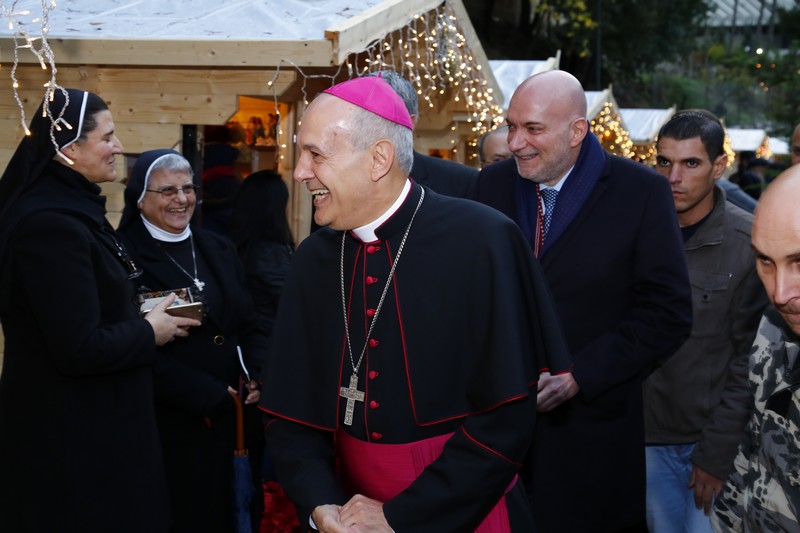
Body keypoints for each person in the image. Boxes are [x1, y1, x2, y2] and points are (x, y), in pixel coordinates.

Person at [259, 75, 571, 532]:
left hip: (463, 506)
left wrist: (400, 517)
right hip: (349, 513)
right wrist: (321, 502)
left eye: (316, 154)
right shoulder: (314, 259)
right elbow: (291, 413)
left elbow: (506, 418)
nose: (301, 172)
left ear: (379, 159)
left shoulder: (483, 240)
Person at [475, 69, 693, 532]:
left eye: (532, 129)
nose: (515, 142)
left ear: (577, 131)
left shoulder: (641, 193)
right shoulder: (490, 186)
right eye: (511, 126)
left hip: (592, 440)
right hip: (494, 439)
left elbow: (668, 313)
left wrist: (581, 375)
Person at [0, 88, 199, 531]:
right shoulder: (50, 226)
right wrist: (151, 331)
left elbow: (90, 303)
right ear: (69, 149)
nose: (118, 147)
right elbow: (78, 347)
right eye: (107, 137)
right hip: (77, 448)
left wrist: (149, 307)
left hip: (98, 432)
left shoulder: (74, 211)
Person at [117, 149, 267, 533]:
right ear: (140, 198)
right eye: (167, 190)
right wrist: (204, 394)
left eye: (187, 188)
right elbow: (129, 344)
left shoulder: (218, 246)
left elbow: (247, 321)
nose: (181, 199)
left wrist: (257, 373)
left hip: (235, 421)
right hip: (172, 423)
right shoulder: (123, 258)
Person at [644, 109, 767, 532]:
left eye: (690, 163)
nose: (673, 176)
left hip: (711, 444)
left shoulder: (748, 244)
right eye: (664, 161)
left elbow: (749, 362)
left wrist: (716, 454)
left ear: (719, 167)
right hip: (643, 438)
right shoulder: (633, 233)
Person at [712, 165, 800, 531]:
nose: (781, 294)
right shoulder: (772, 330)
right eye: (765, 260)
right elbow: (753, 456)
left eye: (799, 262)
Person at [369, 70, 479, 198]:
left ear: (409, 123)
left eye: (377, 116)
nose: (365, 125)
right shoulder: (342, 176)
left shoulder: (460, 181)